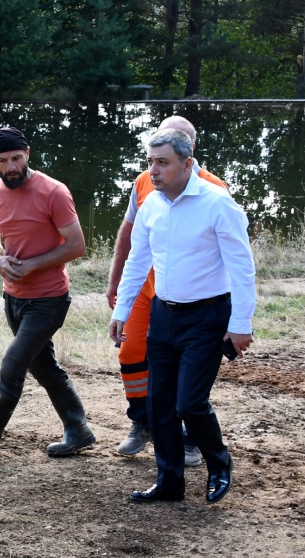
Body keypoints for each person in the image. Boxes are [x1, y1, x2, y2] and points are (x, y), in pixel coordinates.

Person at [108, 129, 256, 503]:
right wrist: (122, 311)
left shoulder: (217, 203)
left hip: (207, 317)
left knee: (189, 403)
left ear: (187, 163)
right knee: (159, 404)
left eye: (162, 163)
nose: (153, 171)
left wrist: (240, 325)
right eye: (150, 162)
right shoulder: (151, 205)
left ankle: (219, 465)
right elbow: (137, 262)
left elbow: (242, 268)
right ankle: (170, 481)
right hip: (163, 315)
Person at [0, 126, 97, 467]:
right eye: (2, 160)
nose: (10, 166)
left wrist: (33, 266)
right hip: (13, 298)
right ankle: (78, 428)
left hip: (50, 298)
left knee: (12, 367)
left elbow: (77, 245)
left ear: (28, 154)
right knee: (44, 367)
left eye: (16, 158)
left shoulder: (54, 192)